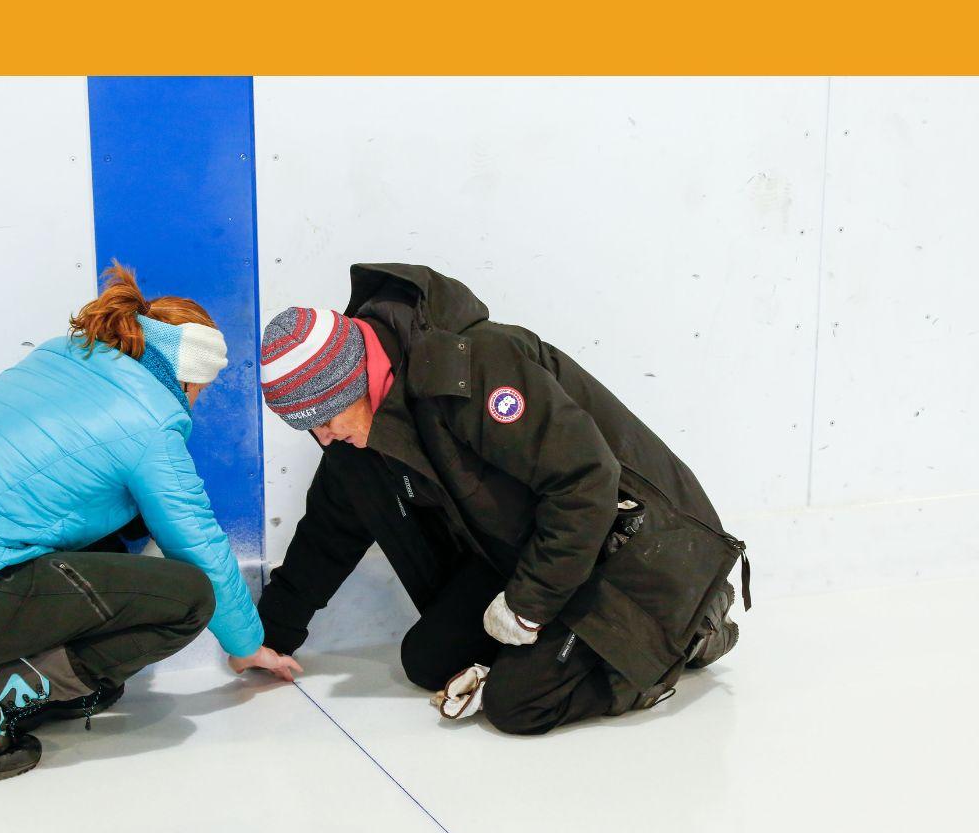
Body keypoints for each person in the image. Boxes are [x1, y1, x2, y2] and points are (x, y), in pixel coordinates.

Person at [0, 262, 300, 780]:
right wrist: (246, 647)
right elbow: (199, 547)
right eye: (198, 392)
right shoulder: (150, 422)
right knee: (188, 597)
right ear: (188, 375)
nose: (194, 404)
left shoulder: (60, 358)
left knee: (112, 546)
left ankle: (46, 692)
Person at [256, 263, 748, 735]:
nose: (323, 438)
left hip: (630, 548)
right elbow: (329, 532)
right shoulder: (360, 436)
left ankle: (691, 630)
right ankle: (565, 647)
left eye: (326, 419)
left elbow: (585, 482)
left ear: (356, 381)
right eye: (310, 428)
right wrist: (266, 638)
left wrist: (528, 605)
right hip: (530, 549)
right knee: (427, 660)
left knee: (520, 703)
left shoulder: (470, 369)